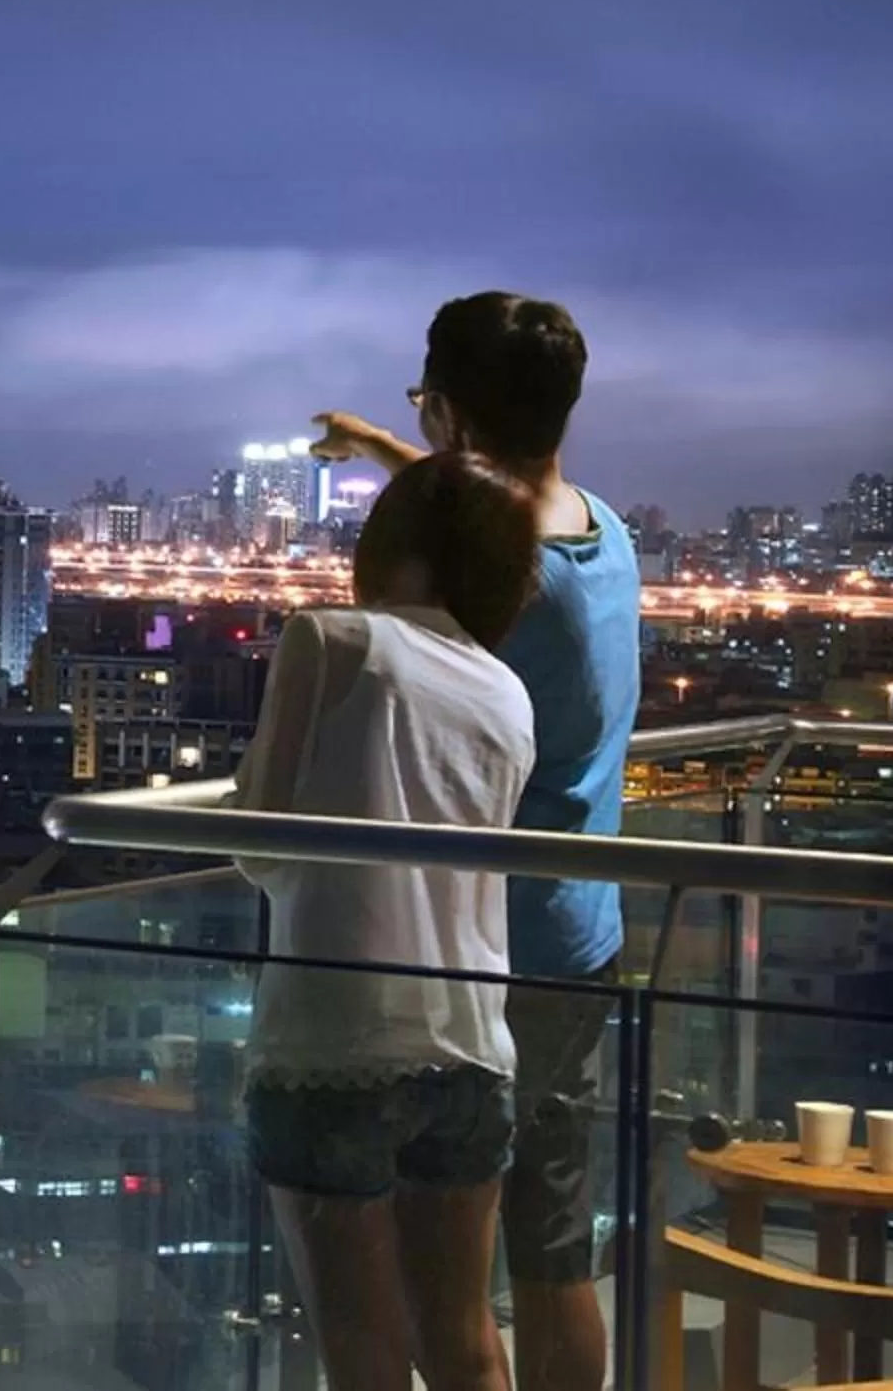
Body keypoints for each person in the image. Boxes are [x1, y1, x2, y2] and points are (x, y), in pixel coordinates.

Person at [313, 293, 643, 1391]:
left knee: (443, 1279)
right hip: (579, 935)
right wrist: (384, 446)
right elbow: (496, 511)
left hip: (480, 951)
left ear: (451, 411)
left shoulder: (503, 582)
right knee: (553, 1245)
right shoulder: (601, 531)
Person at [238, 451, 544, 1391]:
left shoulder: (332, 640)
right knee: (463, 1341)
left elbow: (258, 845)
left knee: (360, 1351)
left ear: (392, 542)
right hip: (472, 1042)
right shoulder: (506, 689)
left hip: (333, 1039)